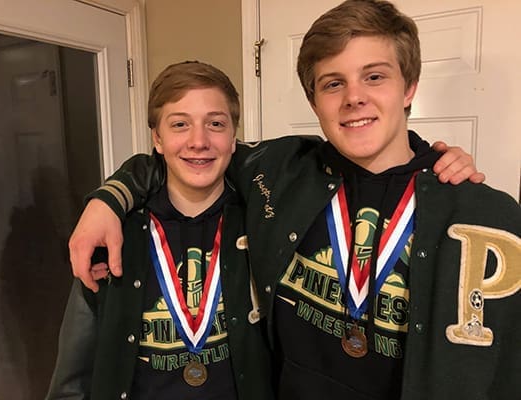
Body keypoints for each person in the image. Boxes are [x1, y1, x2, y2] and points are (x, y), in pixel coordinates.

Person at [68, 1, 521, 399]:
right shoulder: (282, 171)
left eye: (374, 76)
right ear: (314, 100)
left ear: (409, 87)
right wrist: (108, 198)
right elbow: (192, 158)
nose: (354, 97)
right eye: (333, 84)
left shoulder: (484, 217)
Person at [46, 61, 274, 400]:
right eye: (180, 124)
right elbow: (72, 377)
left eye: (215, 123)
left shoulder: (264, 221)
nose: (199, 141)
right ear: (157, 138)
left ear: (233, 137)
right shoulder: (114, 232)